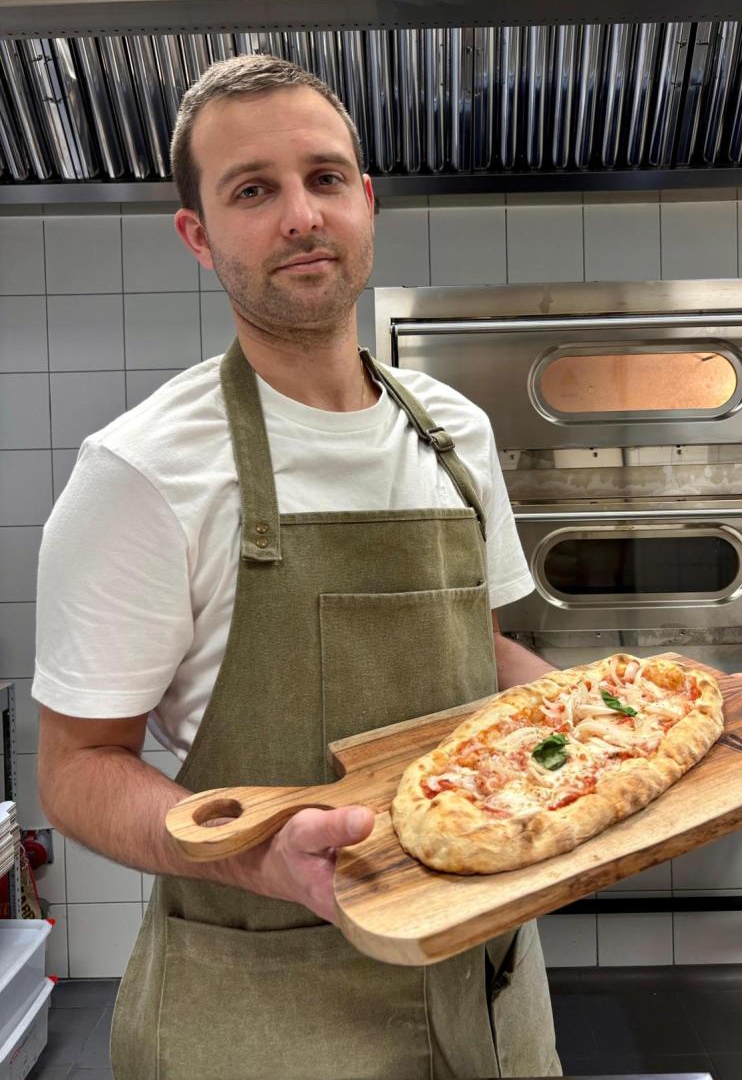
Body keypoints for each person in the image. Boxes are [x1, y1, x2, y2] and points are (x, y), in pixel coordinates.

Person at [34, 54, 562, 1080]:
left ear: (366, 202)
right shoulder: (142, 472)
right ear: (199, 235)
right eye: (252, 190)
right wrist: (262, 859)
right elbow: (75, 769)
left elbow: (483, 653)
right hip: (262, 1007)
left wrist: (632, 722)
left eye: (324, 178)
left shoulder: (455, 432)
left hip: (488, 988)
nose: (300, 216)